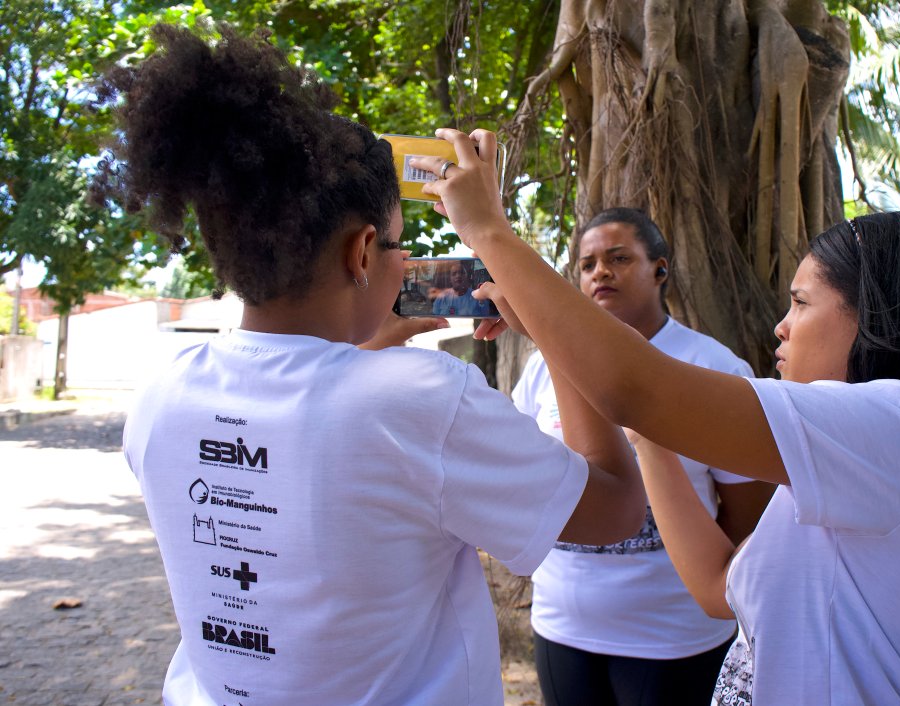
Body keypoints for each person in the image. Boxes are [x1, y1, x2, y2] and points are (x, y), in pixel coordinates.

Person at [101, 26, 645, 706]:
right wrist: (551, 335)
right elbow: (617, 508)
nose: (404, 263)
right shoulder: (419, 399)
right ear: (362, 254)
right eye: (399, 244)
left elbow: (305, 453)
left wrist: (363, 350)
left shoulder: (161, 391)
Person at [414, 129, 900, 705]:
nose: (780, 326)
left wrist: (490, 230)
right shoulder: (863, 457)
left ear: (879, 317)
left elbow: (636, 389)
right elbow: (713, 583)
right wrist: (565, 354)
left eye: (801, 303)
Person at [511, 207, 773, 705]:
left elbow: (747, 519)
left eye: (617, 258)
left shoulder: (711, 367)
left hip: (673, 639)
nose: (599, 273)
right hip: (560, 628)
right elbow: (528, 475)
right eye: (587, 265)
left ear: (660, 269)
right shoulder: (544, 367)